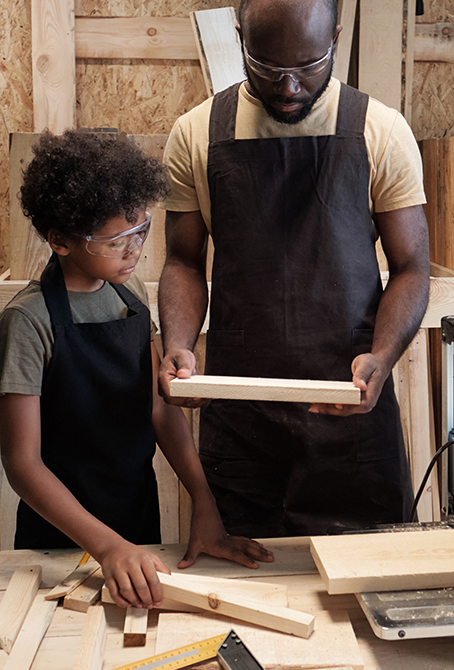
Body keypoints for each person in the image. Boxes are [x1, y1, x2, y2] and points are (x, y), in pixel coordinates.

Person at [158, 0, 431, 537]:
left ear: (335, 40)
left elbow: (410, 267)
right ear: (240, 39)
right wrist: (178, 344)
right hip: (242, 419)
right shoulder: (197, 134)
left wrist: (382, 358)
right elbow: (183, 260)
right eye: (268, 67)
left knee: (366, 591)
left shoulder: (380, 131)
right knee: (244, 593)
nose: (288, 87)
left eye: (309, 66)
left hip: (349, 408)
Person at [0, 130, 273, 610]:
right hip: (59, 538)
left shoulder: (131, 298)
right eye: (115, 240)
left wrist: (203, 504)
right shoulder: (29, 321)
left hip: (138, 523)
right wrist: (104, 546)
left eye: (140, 232)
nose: (134, 251)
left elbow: (158, 411)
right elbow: (23, 464)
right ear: (60, 240)